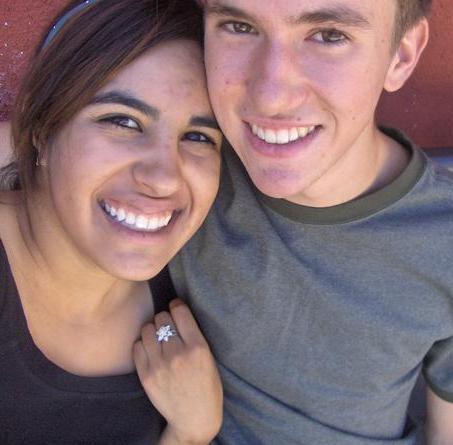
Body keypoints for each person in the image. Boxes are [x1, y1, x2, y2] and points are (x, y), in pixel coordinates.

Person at [168, 0, 453, 443]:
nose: (271, 96)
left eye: (329, 35)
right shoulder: (176, 177)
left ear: (400, 55)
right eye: (239, 26)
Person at [0, 0, 224, 444]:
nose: (164, 177)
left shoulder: (196, 282)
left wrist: (191, 430)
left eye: (198, 136)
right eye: (122, 121)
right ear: (42, 130)